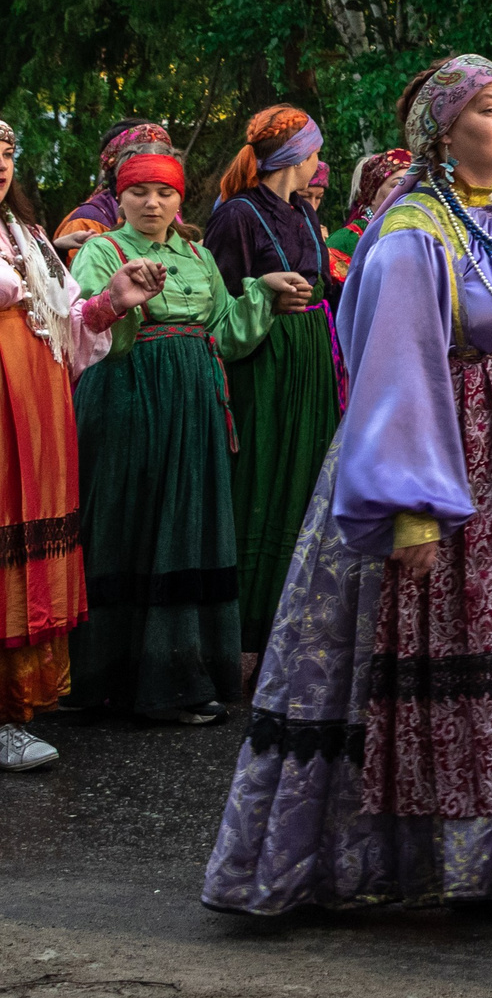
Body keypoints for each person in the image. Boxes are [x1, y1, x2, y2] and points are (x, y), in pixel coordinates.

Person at [203, 53, 492, 922]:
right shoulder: (416, 230)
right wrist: (410, 511)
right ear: (443, 132)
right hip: (449, 471)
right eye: (490, 110)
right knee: (442, 653)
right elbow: (398, 373)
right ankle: (424, 862)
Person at [68, 149, 308, 721]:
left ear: (180, 199)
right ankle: (122, 682)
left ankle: (181, 675)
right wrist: (122, 300)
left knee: (187, 525)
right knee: (135, 523)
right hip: (128, 397)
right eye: (139, 193)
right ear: (119, 198)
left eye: (166, 193)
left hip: (196, 400)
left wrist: (261, 290)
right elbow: (81, 323)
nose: (153, 203)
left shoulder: (197, 255)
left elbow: (224, 331)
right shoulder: (104, 250)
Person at [0, 119, 160, 770]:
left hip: (36, 423)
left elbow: (68, 325)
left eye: (6, 151)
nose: (1, 163)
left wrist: (113, 300)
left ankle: (10, 712)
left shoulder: (28, 238)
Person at [202, 107, 343, 681]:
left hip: (309, 358)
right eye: (314, 151)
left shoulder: (303, 214)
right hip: (264, 360)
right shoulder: (237, 214)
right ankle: (240, 637)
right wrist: (266, 293)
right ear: (296, 155)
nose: (319, 161)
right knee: (260, 480)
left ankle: (292, 631)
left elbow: (328, 286)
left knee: (305, 480)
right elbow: (217, 299)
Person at [51, 119, 170, 262]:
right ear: (117, 166)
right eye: (142, 159)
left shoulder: (168, 212)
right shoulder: (86, 223)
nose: (153, 203)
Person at [322, 149, 412, 296]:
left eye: (413, 185)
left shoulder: (419, 237)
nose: (407, 192)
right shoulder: (345, 240)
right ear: (372, 194)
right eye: (397, 184)